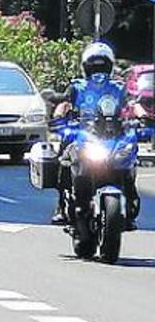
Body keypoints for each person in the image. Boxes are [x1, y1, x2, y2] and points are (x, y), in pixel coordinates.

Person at [47, 42, 138, 228]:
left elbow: (131, 105)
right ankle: (62, 205)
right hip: (84, 134)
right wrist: (58, 116)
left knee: (129, 158)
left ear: (110, 66)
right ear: (85, 67)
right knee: (65, 154)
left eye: (102, 66)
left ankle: (130, 203)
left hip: (112, 134)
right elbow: (64, 104)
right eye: (94, 66)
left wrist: (140, 116)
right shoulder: (77, 87)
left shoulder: (118, 88)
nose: (99, 71)